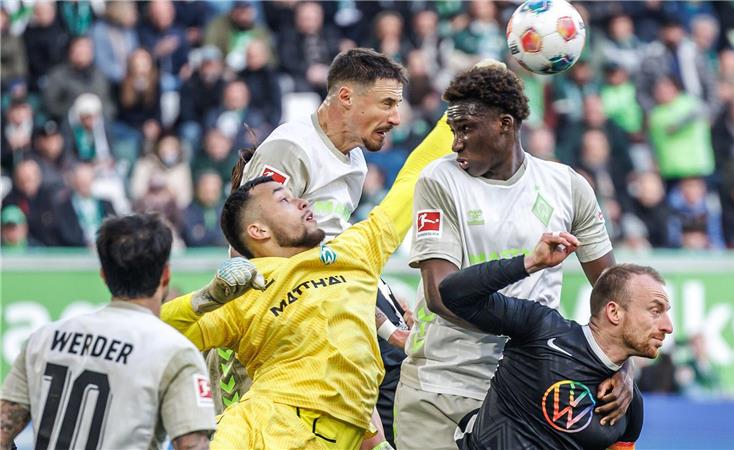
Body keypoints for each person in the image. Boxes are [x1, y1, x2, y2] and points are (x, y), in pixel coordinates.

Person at [159, 113, 452, 449]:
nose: (302, 201)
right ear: (259, 231)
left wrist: (457, 111)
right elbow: (152, 333)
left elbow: (411, 181)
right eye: (285, 200)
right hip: (262, 433)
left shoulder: (352, 251)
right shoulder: (244, 291)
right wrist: (206, 298)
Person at [394, 65, 630, 450]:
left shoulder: (566, 185)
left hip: (528, 394)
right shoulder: (439, 180)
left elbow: (617, 293)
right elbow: (440, 295)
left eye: (466, 129)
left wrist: (621, 364)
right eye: (454, 131)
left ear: (505, 124)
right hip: (444, 387)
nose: (456, 144)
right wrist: (536, 333)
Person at [222, 47, 415, 446]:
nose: (396, 117)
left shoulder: (355, 160)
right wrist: (381, 321)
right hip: (286, 322)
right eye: (387, 103)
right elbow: (253, 245)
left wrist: (383, 295)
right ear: (346, 97)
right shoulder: (291, 148)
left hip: (332, 304)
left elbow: (334, 245)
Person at [0, 214, 216, 450]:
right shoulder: (175, 352)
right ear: (165, 275)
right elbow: (191, 445)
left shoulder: (42, 339)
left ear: (103, 275)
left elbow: (3, 430)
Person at [444, 233, 672, 449]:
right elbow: (452, 293)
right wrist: (530, 262)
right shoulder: (541, 328)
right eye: (655, 311)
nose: (668, 327)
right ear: (614, 313)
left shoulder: (627, 402)